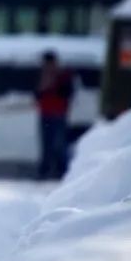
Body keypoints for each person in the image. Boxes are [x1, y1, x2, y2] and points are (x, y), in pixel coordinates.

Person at [35, 50, 75, 180]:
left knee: (59, 142)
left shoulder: (63, 75)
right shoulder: (41, 76)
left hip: (59, 113)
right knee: (46, 143)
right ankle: (45, 169)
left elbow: (67, 93)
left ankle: (61, 169)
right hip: (45, 113)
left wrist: (53, 85)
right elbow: (37, 94)